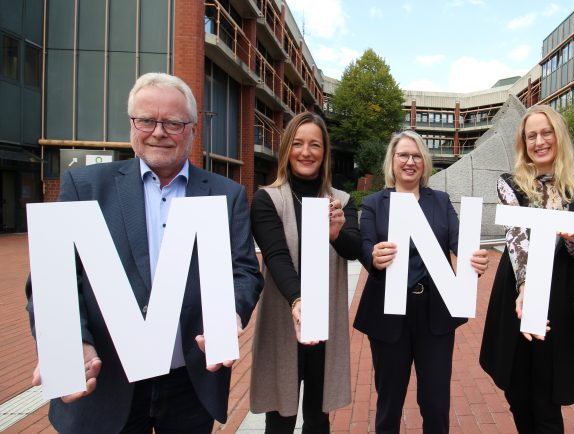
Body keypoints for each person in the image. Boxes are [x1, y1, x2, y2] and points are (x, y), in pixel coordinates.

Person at [24, 72, 264, 433]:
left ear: (193, 130)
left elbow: (244, 270)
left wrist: (230, 312)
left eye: (173, 122)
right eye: (147, 120)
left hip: (189, 380)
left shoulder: (226, 194)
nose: (159, 131)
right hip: (108, 381)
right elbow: (53, 280)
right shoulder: (85, 186)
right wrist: (75, 342)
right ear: (131, 125)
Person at [353, 130, 489, 434]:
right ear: (393, 161)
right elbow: (364, 245)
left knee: (436, 402)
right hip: (389, 314)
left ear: (424, 163)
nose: (410, 162)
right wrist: (372, 256)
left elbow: (459, 240)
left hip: (435, 314)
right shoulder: (376, 203)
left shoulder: (440, 201)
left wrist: (474, 259)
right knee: (389, 402)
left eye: (416, 156)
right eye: (403, 155)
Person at [479, 104, 574, 434]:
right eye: (531, 135)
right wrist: (525, 288)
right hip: (517, 286)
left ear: (558, 136)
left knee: (547, 393)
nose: (539, 141)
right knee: (516, 386)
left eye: (546, 132)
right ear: (524, 143)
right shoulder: (510, 183)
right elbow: (516, 239)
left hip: (562, 288)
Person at [249, 112, 360, 433]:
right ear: (286, 149)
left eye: (315, 145)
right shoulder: (267, 199)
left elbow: (354, 250)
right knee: (280, 418)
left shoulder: (341, 201)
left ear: (325, 152)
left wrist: (337, 233)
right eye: (297, 144)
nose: (306, 152)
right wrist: (297, 300)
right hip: (284, 322)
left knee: (317, 417)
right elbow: (276, 256)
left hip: (324, 325)